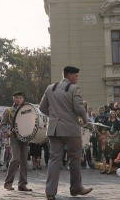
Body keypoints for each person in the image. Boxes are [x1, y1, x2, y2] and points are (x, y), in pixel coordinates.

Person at [39, 66, 93, 200]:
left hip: (54, 129)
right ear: (69, 75)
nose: (77, 78)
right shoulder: (75, 89)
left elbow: (42, 107)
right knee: (74, 158)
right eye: (76, 76)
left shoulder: (50, 88)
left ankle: (50, 193)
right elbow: (79, 108)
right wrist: (85, 119)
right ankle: (76, 188)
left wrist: (53, 116)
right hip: (70, 129)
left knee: (54, 160)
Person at [1, 91, 32, 192]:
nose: (18, 99)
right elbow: (3, 124)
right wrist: (8, 131)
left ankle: (22, 184)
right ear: (13, 98)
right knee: (16, 159)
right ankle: (8, 183)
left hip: (25, 137)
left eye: (20, 98)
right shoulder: (9, 110)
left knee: (24, 161)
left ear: (23, 99)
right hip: (14, 137)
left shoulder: (28, 109)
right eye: (16, 97)